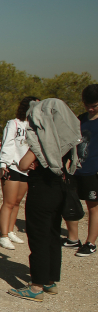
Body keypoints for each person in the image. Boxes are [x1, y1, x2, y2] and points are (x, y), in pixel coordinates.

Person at [8, 98, 82, 301]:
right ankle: (50, 280)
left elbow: (23, 165)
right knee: (52, 234)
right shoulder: (67, 140)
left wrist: (29, 162)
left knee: (38, 235)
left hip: (41, 190)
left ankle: (36, 286)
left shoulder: (44, 142)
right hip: (59, 189)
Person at [0, 96, 40, 250]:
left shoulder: (36, 126)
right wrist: (4, 163)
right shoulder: (13, 123)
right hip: (12, 167)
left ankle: (10, 230)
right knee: (8, 202)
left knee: (17, 202)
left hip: (26, 169)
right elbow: (7, 143)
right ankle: (3, 236)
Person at [62, 84, 98, 257]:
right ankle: (73, 238)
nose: (90, 109)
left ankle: (90, 243)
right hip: (76, 168)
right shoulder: (81, 119)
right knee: (69, 202)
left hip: (94, 171)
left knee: (93, 207)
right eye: (87, 105)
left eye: (94, 106)